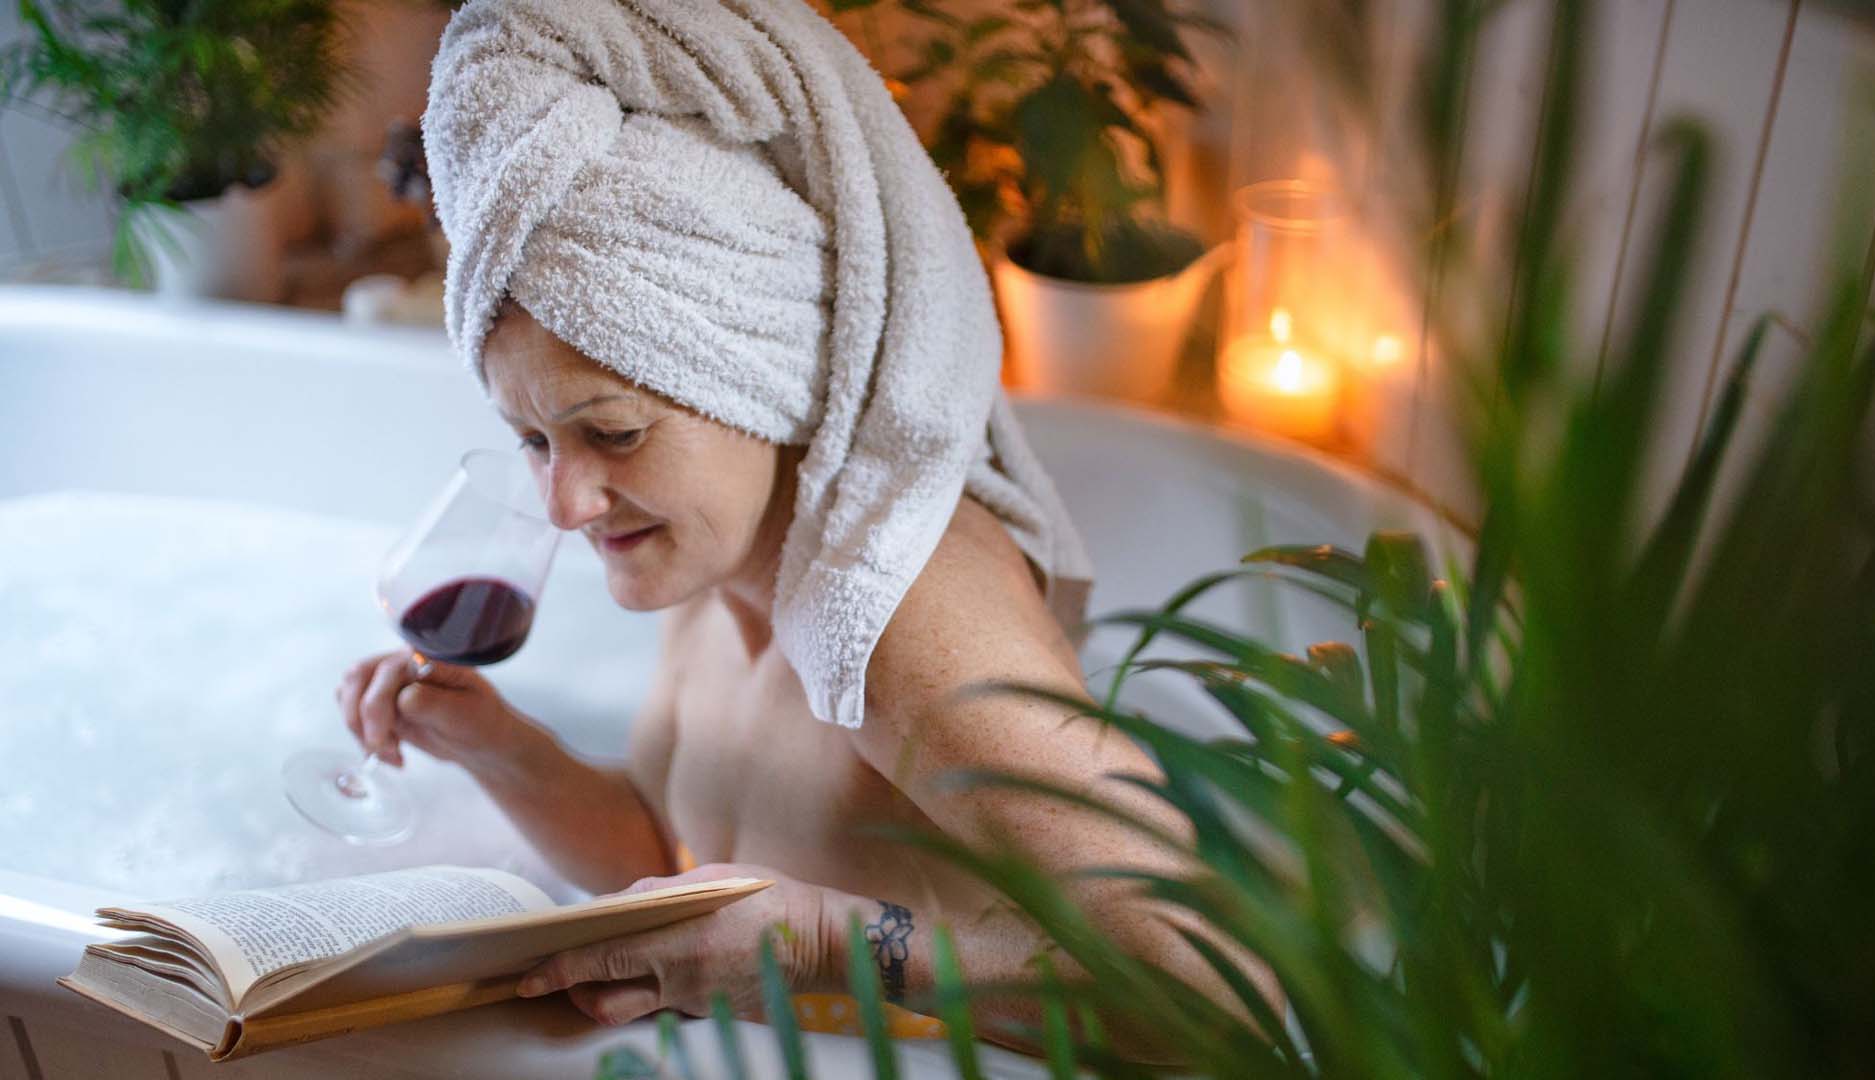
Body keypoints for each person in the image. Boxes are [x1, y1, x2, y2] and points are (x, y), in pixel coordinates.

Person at [336, 0, 1255, 1060]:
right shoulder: (718, 549)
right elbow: (679, 847)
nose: (565, 506)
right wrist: (501, 750)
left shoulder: (907, 617)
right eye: (535, 440)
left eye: (616, 433)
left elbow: (1216, 990)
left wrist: (830, 946)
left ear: (757, 384)